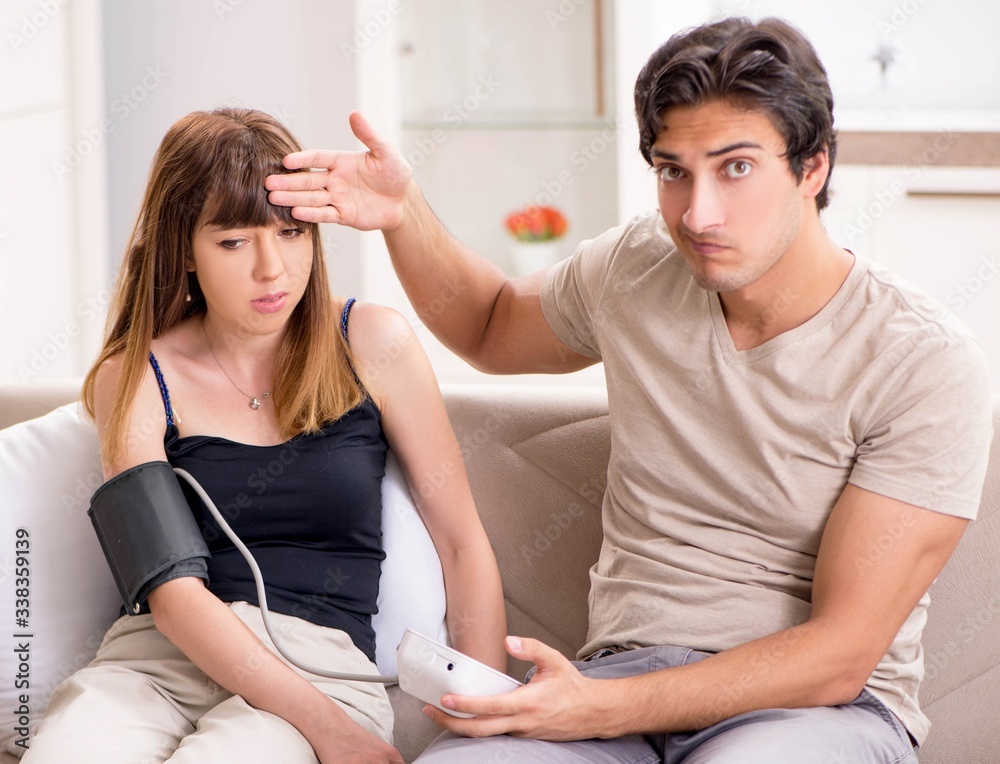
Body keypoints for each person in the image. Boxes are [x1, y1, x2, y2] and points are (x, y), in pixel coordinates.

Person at [263, 15, 994, 764]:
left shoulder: (922, 364)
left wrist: (593, 707)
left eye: (735, 168)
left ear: (813, 168)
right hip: (624, 680)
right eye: (673, 171)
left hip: (815, 713)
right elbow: (487, 326)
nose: (697, 213)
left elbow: (838, 655)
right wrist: (402, 214)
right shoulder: (640, 266)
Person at [21, 107, 507, 764]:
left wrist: (489, 730)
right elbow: (171, 597)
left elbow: (461, 543)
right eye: (233, 242)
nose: (272, 269)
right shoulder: (136, 375)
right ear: (183, 253)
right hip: (156, 667)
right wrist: (330, 732)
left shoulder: (373, 343)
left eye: (290, 232)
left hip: (321, 671)